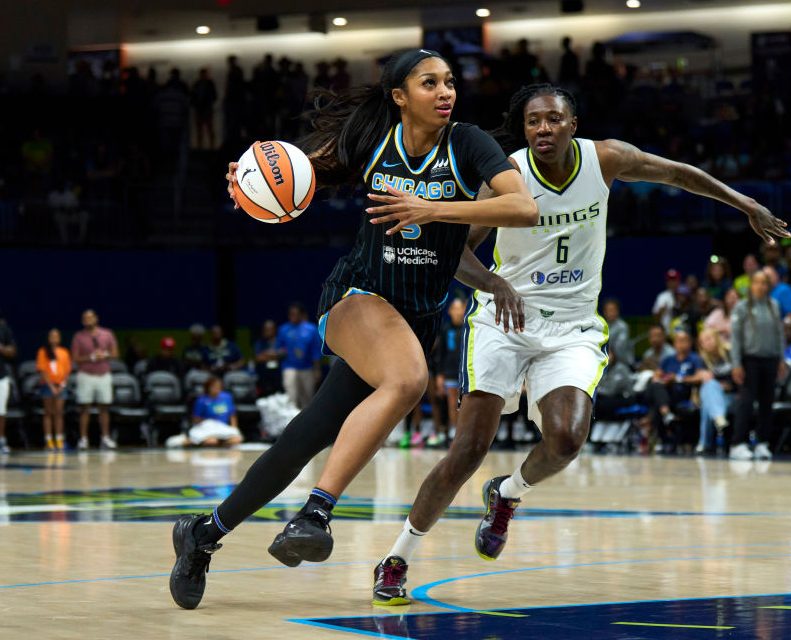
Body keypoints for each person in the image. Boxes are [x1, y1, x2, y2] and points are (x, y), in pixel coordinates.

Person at [367, 83, 788, 605]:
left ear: (572, 122)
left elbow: (678, 174)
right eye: (532, 122)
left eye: (553, 119)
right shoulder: (507, 176)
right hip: (504, 320)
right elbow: (455, 253)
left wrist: (742, 201)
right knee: (468, 449)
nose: (543, 129)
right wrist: (494, 283)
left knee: (566, 440)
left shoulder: (605, 158)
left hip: (571, 327)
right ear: (523, 130)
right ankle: (397, 557)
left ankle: (508, 494)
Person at [168, 49, 537, 611]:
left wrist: (436, 215)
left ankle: (203, 534)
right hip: (357, 296)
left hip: (417, 316)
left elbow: (522, 207)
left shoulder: (468, 145)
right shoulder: (373, 138)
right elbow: (293, 170)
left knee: (304, 437)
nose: (446, 92)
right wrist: (249, 179)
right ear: (398, 96)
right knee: (410, 380)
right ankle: (315, 513)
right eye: (429, 83)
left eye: (449, 82)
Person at [729, 271, 784, 461]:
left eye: (764, 283)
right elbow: (735, 338)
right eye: (758, 283)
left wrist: (781, 359)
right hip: (749, 360)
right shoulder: (742, 307)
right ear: (751, 285)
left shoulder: (774, 306)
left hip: (770, 359)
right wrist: (736, 364)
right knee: (746, 401)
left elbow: (780, 335)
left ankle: (762, 443)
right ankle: (738, 443)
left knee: (766, 403)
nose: (761, 287)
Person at [71, 309, 119, 450]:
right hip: (86, 375)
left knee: (104, 407)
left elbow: (115, 353)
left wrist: (105, 355)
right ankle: (83, 439)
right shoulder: (78, 337)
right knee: (84, 408)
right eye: (85, 318)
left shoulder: (107, 334)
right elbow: (75, 358)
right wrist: (90, 357)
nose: (88, 320)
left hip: (103, 375)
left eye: (90, 317)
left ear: (96, 319)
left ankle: (105, 438)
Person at [432, 298, 468, 447]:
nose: (458, 312)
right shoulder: (446, 329)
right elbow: (441, 353)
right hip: (450, 372)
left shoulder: (468, 329)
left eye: (461, 308)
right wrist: (440, 375)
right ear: (450, 311)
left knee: (466, 404)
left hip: (465, 373)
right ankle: (454, 431)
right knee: (452, 403)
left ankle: (465, 431)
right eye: (455, 308)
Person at [695, 328, 733, 455]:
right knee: (709, 387)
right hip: (716, 396)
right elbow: (702, 378)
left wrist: (725, 385)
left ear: (717, 338)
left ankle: (704, 443)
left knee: (708, 402)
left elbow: (738, 379)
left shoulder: (730, 352)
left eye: (709, 338)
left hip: (732, 395)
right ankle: (719, 420)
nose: (708, 342)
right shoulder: (701, 360)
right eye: (703, 341)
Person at [276, 303, 322, 409]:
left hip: (307, 368)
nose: (293, 316)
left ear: (301, 315)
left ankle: (307, 423)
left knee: (308, 398)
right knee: (291, 397)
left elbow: (315, 351)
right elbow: (279, 348)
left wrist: (317, 370)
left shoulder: (311, 329)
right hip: (289, 367)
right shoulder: (284, 329)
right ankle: (291, 422)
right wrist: (281, 352)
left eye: (295, 314)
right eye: (291, 314)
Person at [37, 329, 71, 451]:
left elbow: (67, 370)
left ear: (60, 338)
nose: (54, 338)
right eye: (51, 335)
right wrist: (51, 386)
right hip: (47, 386)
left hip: (61, 386)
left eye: (56, 336)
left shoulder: (64, 352)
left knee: (59, 413)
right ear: (48, 338)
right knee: (48, 413)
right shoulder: (43, 351)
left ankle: (59, 439)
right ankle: (48, 440)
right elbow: (42, 370)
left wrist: (62, 385)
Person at [0, 312, 16, 455]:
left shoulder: (3, 328)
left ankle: (1, 440)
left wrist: (2, 349)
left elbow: (12, 351)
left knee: (1, 411)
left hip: (1, 376)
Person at [252, 320, 283, 397]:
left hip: (278, 373)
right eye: (265, 329)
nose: (267, 331)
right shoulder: (259, 342)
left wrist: (267, 354)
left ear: (275, 330)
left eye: (269, 329)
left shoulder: (280, 341)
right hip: (264, 373)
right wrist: (274, 355)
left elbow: (283, 354)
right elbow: (258, 358)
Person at [602, 298, 633, 368]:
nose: (611, 313)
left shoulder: (623, 326)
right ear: (604, 312)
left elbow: (620, 346)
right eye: (609, 310)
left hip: (622, 361)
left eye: (613, 310)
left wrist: (609, 352)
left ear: (617, 311)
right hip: (606, 358)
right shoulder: (601, 326)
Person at [652, 269, 679, 334]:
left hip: (679, 332)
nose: (672, 282)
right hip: (666, 332)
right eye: (670, 280)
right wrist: (660, 311)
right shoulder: (662, 297)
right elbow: (655, 316)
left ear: (678, 281)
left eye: (674, 280)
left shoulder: (683, 295)